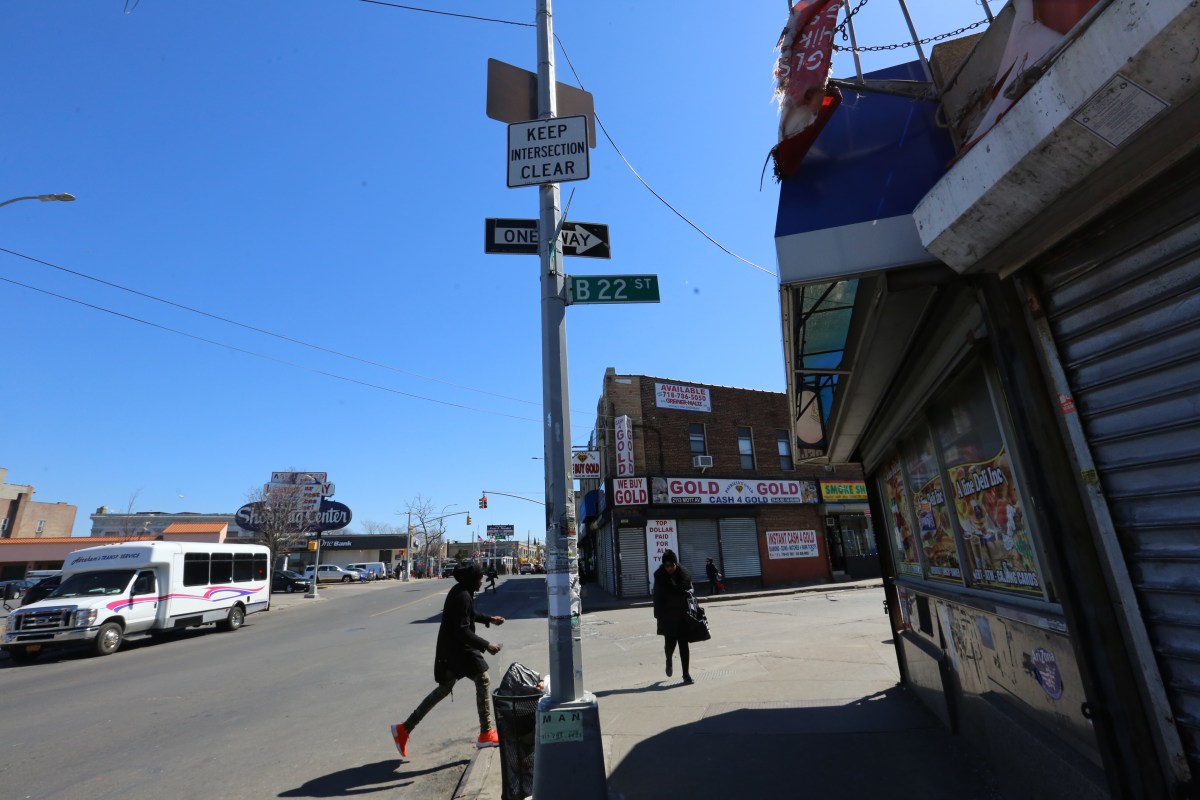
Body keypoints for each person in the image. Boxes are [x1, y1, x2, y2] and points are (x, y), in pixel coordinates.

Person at [391, 562, 505, 757]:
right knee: (483, 679)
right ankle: (486, 733)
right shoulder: (462, 595)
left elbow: (469, 615)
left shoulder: (462, 591)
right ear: (472, 579)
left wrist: (489, 619)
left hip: (453, 649)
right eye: (479, 578)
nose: (482, 581)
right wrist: (486, 645)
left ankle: (404, 729)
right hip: (458, 649)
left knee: (444, 689)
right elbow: (462, 629)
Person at [652, 549, 694, 685]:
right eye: (666, 565)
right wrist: (658, 616)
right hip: (668, 616)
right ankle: (668, 660)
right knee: (670, 645)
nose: (668, 568)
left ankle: (686, 674)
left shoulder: (684, 575)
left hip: (682, 616)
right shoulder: (660, 577)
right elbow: (657, 597)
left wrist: (690, 593)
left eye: (671, 565)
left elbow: (691, 589)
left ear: (676, 564)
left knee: (683, 645)